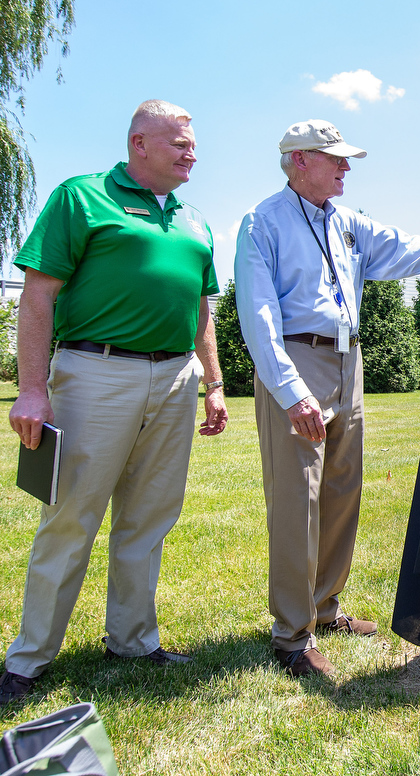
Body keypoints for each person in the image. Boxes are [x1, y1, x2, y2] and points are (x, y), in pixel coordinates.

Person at [234, 119, 420, 678]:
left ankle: (325, 609)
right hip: (297, 362)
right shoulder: (263, 222)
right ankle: (292, 635)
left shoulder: (347, 222)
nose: (347, 168)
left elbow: (399, 250)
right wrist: (290, 391)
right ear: (299, 160)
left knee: (342, 491)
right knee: (297, 498)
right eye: (336, 159)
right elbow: (257, 315)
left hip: (349, 363)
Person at [0, 100, 228, 706]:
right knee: (71, 515)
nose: (192, 153)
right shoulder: (82, 197)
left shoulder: (195, 221)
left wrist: (214, 382)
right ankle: (29, 658)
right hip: (95, 374)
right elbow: (38, 294)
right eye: (179, 142)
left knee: (149, 518)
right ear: (139, 144)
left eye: (193, 143)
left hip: (175, 379)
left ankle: (132, 638)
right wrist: (31, 387)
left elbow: (203, 309)